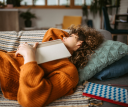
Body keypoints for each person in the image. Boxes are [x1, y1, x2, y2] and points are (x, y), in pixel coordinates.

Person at [0, 25, 104, 107]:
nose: (65, 36)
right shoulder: (51, 47)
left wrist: (29, 56)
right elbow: (53, 31)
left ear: (79, 44)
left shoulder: (69, 71)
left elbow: (32, 100)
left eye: (71, 36)